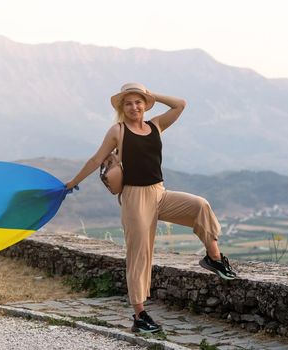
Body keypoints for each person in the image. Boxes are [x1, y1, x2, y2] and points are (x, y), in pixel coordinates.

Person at [65, 83, 236, 334]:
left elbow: (180, 104)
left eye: (138, 102)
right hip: (135, 198)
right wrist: (72, 183)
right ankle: (140, 315)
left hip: (160, 192)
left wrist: (151, 94)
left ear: (145, 104)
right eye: (128, 103)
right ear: (122, 108)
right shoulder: (118, 131)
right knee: (139, 255)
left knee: (200, 205)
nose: (134, 107)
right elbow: (96, 159)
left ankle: (214, 258)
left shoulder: (156, 125)